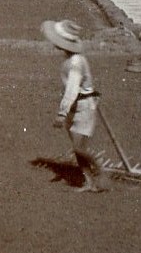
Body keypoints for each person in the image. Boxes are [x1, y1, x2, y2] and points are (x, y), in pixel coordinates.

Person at [42, 19, 106, 193]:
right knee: (78, 149)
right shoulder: (71, 59)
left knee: (79, 147)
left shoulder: (76, 63)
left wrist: (61, 114)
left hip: (82, 106)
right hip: (77, 105)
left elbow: (72, 90)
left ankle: (98, 169)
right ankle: (89, 182)